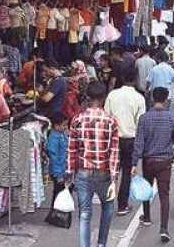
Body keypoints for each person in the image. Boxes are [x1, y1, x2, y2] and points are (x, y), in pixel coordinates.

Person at [67, 82, 120, 247]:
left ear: (87, 98)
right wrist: (114, 177)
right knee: (108, 208)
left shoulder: (77, 119)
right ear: (104, 98)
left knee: (84, 213)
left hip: (83, 172)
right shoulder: (111, 121)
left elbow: (72, 149)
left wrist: (69, 172)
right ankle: (102, 244)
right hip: (104, 172)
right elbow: (114, 151)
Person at [131, 88, 174, 244]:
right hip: (165, 161)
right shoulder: (172, 118)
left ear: (153, 99)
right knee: (164, 195)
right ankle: (164, 229)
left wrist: (134, 163)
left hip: (149, 161)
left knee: (147, 189)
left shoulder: (144, 118)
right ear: (166, 99)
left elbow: (139, 143)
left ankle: (146, 217)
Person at [104, 67, 146, 216]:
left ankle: (107, 203)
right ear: (135, 79)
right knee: (127, 173)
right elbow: (140, 123)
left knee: (111, 171)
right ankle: (122, 205)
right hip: (130, 139)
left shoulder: (112, 95)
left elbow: (106, 117)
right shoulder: (139, 98)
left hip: (113, 138)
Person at [46, 114, 69, 205]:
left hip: (63, 169)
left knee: (60, 192)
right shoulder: (54, 138)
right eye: (64, 125)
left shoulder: (61, 135)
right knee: (58, 193)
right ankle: (55, 214)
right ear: (56, 126)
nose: (65, 127)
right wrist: (58, 175)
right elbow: (54, 158)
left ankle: (57, 213)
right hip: (58, 171)